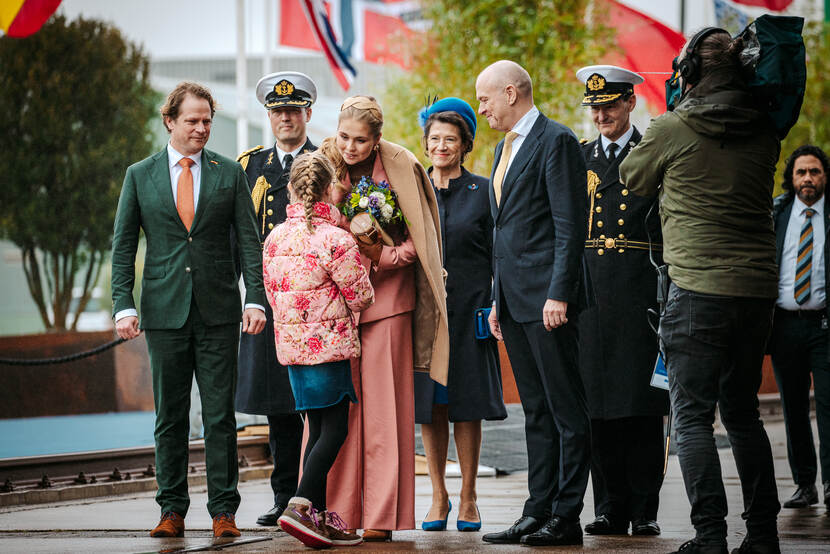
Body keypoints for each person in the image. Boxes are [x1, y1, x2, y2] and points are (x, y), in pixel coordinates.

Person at [620, 28, 781, 554]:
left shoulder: (674, 126)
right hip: (756, 291)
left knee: (690, 416)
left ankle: (709, 535)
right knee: (743, 414)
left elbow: (632, 177)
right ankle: (762, 536)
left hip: (695, 289)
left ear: (688, 72)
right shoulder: (767, 129)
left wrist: (673, 108)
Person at [111, 81, 267, 538]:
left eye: (207, 121)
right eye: (192, 121)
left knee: (220, 415)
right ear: (170, 121)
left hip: (220, 310)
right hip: (163, 311)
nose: (202, 129)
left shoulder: (228, 173)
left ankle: (223, 513)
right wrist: (123, 303)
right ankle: (171, 510)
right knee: (170, 417)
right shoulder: (139, 175)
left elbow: (249, 242)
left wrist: (253, 296)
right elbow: (123, 247)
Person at [322, 95, 449, 541]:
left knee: (383, 414)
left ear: (377, 140)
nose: (350, 147)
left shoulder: (402, 164)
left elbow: (424, 242)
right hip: (334, 308)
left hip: (388, 304)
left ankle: (380, 517)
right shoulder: (324, 160)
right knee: (336, 412)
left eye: (360, 140)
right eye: (344, 137)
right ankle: (334, 514)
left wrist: (384, 255)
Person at [475, 60, 590, 547]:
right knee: (536, 412)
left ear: (510, 92)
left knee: (565, 410)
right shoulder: (504, 147)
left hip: (547, 301)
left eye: (484, 100)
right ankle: (536, 510)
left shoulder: (556, 140)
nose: (482, 109)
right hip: (515, 303)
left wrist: (559, 292)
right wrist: (498, 298)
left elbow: (569, 225)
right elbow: (505, 232)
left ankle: (566, 516)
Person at [262, 151, 374, 549]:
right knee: (336, 429)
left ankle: (319, 520)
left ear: (292, 188)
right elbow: (360, 296)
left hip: (293, 351)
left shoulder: (275, 239)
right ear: (330, 188)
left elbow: (272, 295)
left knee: (316, 430)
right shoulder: (336, 239)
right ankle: (300, 503)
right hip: (328, 349)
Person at [575, 65, 668, 536]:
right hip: (591, 296)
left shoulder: (649, 153)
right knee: (599, 409)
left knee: (643, 408)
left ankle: (644, 507)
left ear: (631, 102)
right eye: (595, 107)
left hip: (638, 296)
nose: (601, 114)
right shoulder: (579, 157)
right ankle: (609, 507)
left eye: (610, 105)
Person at [414, 97, 507, 533]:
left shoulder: (484, 191)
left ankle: (468, 496)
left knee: (466, 406)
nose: (441, 146)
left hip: (472, 311)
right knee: (430, 406)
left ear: (465, 143)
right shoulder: (413, 192)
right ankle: (438, 495)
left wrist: (497, 304)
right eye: (434, 139)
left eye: (450, 139)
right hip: (426, 317)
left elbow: (499, 255)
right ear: (426, 142)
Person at [235, 71, 317, 527]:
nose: (286, 117)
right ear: (269, 116)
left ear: (307, 113)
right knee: (278, 406)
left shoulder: (327, 160)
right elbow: (238, 238)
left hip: (315, 303)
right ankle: (285, 495)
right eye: (278, 111)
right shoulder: (249, 166)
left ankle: (317, 495)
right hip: (267, 303)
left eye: (293, 109)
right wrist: (247, 296)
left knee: (319, 404)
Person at [770, 144, 830, 511]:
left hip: (824, 328)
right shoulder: (778, 214)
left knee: (827, 405)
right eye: (801, 172)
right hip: (784, 328)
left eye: (815, 171)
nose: (808, 178)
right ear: (791, 178)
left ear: (825, 177)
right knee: (793, 407)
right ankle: (804, 484)